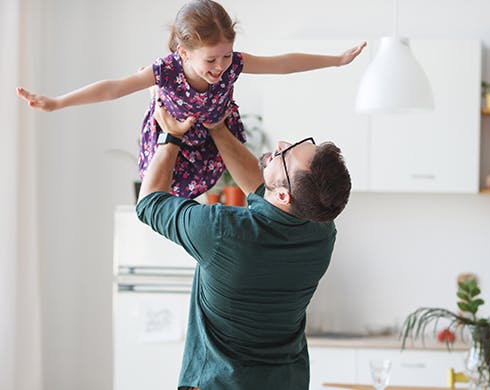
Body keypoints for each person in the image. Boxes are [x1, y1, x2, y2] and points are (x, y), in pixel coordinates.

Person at [16, 0, 366, 199]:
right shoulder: (166, 69)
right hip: (176, 140)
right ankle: (158, 101)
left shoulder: (235, 64)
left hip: (212, 138)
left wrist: (334, 61)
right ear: (183, 52)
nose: (220, 67)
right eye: (210, 60)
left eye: (225, 56)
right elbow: (113, 87)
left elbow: (283, 63)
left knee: (249, 188)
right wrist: (57, 102)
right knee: (161, 198)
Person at [135, 99, 351, 389]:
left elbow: (149, 203)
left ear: (285, 196)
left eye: (284, 156)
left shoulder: (222, 231)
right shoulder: (321, 232)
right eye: (297, 143)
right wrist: (218, 129)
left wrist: (171, 136)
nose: (281, 144)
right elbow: (265, 192)